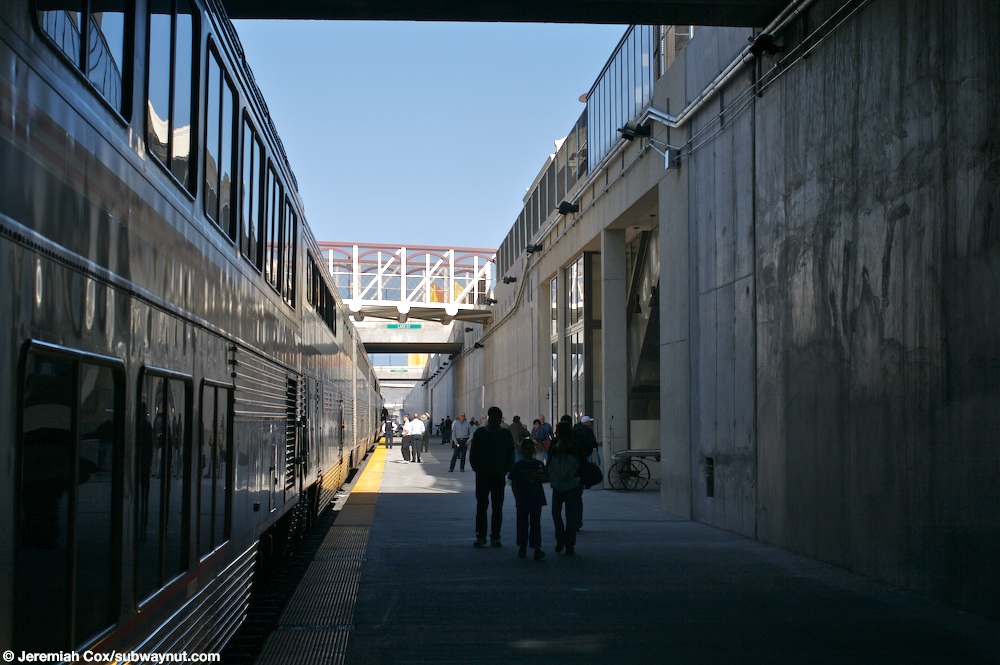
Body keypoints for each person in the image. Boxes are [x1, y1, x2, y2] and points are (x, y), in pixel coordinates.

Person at [468, 406, 516, 548]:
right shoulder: (486, 434)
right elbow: (473, 455)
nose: (496, 420)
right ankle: (486, 536)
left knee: (493, 507)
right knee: (485, 507)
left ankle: (490, 536)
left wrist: (504, 471)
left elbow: (510, 455)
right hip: (488, 475)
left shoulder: (486, 434)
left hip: (493, 475)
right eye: (494, 417)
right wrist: (478, 469)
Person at [546, 420, 585, 555]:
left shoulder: (556, 446)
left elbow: (549, 464)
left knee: (556, 513)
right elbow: (582, 464)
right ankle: (569, 544)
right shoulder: (576, 446)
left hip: (558, 485)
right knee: (570, 515)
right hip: (572, 484)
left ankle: (561, 540)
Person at [508, 437, 547, 560]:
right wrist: (517, 498)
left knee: (532, 524)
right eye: (527, 448)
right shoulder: (520, 465)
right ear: (522, 450)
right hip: (526, 498)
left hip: (532, 498)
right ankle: (526, 546)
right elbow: (513, 483)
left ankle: (531, 547)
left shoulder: (537, 464)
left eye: (530, 448)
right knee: (526, 523)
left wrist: (539, 476)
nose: (529, 450)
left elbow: (546, 478)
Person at [571, 415, 599, 530]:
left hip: (572, 467)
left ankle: (572, 521)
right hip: (584, 457)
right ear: (586, 423)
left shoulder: (574, 431)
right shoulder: (587, 431)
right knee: (577, 497)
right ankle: (577, 521)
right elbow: (592, 442)